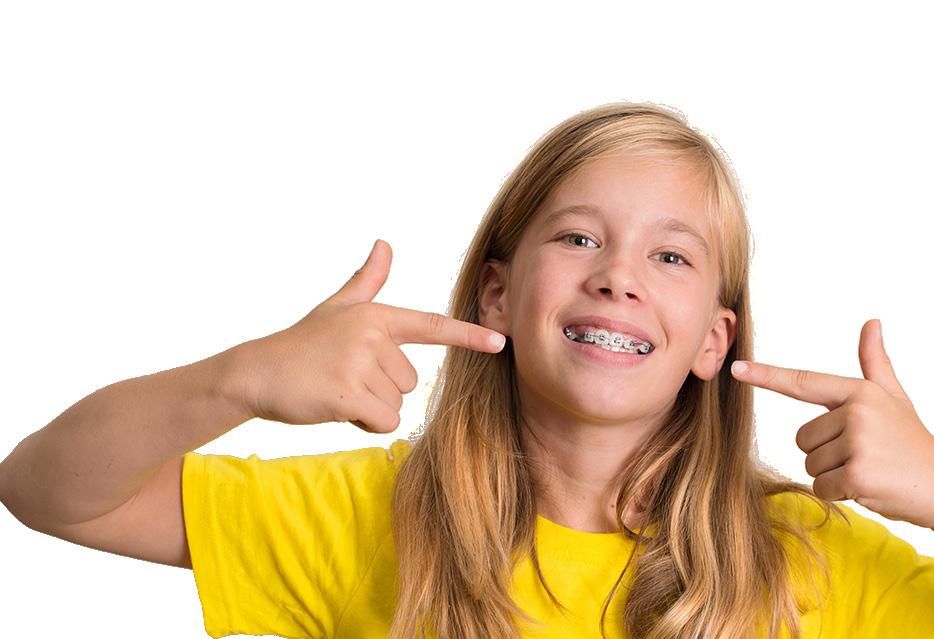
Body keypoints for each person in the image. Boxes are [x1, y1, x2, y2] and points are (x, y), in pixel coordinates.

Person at [2, 101, 933, 639]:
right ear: (496, 294)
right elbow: (47, 490)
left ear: (712, 342)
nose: (618, 276)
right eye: (578, 238)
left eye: (671, 256)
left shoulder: (806, 557)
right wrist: (239, 378)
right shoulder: (371, 515)